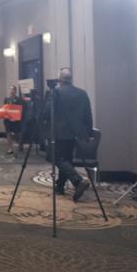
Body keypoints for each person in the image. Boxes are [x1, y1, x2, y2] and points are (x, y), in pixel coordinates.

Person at [52, 68, 94, 201]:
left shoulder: (56, 92)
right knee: (67, 159)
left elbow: (48, 112)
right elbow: (88, 114)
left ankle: (78, 181)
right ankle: (60, 187)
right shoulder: (82, 93)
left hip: (60, 132)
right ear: (71, 79)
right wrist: (89, 132)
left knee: (58, 159)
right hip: (76, 133)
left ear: (60, 79)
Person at [3, 85, 25, 155]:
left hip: (16, 119)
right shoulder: (6, 99)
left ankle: (20, 145)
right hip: (8, 119)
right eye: (10, 89)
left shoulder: (19, 100)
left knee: (17, 133)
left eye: (13, 89)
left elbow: (20, 109)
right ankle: (10, 148)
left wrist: (16, 117)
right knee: (8, 133)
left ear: (15, 91)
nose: (11, 91)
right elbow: (5, 107)